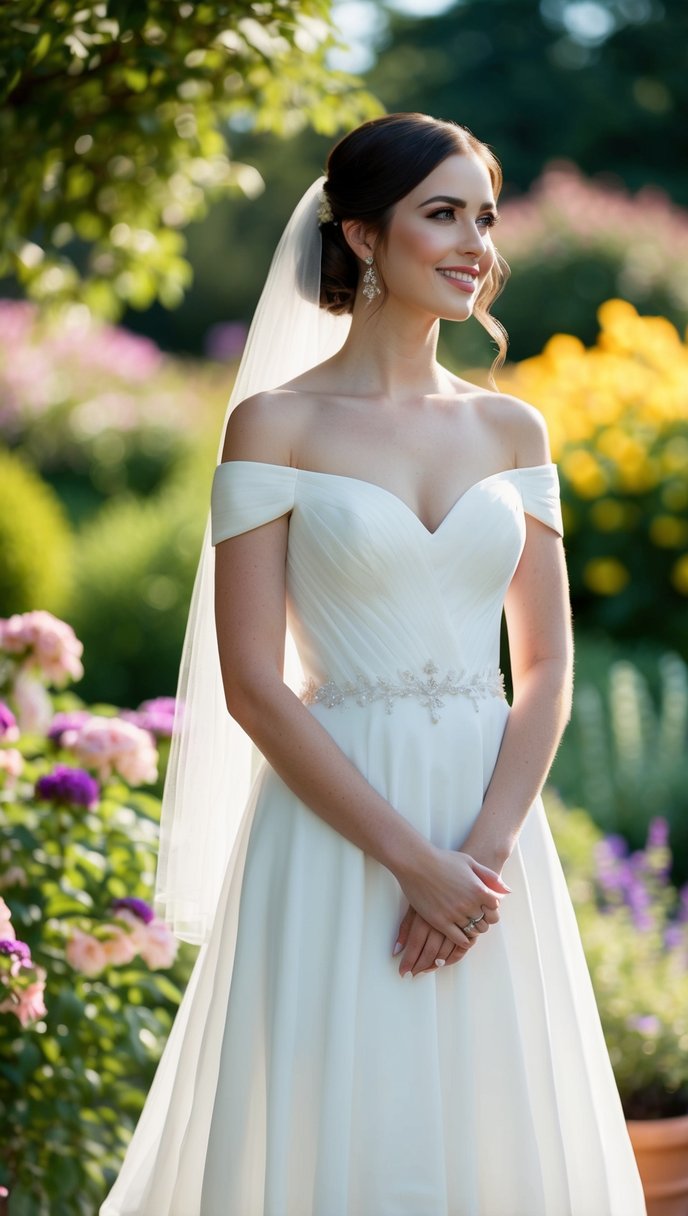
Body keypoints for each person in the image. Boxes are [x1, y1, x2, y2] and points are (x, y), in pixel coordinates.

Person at [100, 112, 646, 1215]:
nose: (474, 244)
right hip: (339, 818)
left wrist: (475, 863)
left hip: (489, 838)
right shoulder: (274, 424)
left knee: (498, 1126)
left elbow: (543, 668)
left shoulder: (514, 432)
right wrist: (411, 860)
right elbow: (252, 680)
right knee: (335, 1122)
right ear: (360, 236)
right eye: (440, 214)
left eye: (483, 218)